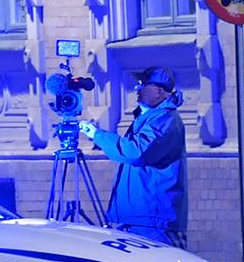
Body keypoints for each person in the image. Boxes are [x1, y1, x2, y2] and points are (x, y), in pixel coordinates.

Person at [80, 65, 187, 246]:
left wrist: (96, 134)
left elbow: (135, 152)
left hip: (153, 220)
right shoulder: (149, 118)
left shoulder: (165, 120)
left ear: (159, 91)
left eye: (143, 84)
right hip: (139, 217)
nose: (137, 89)